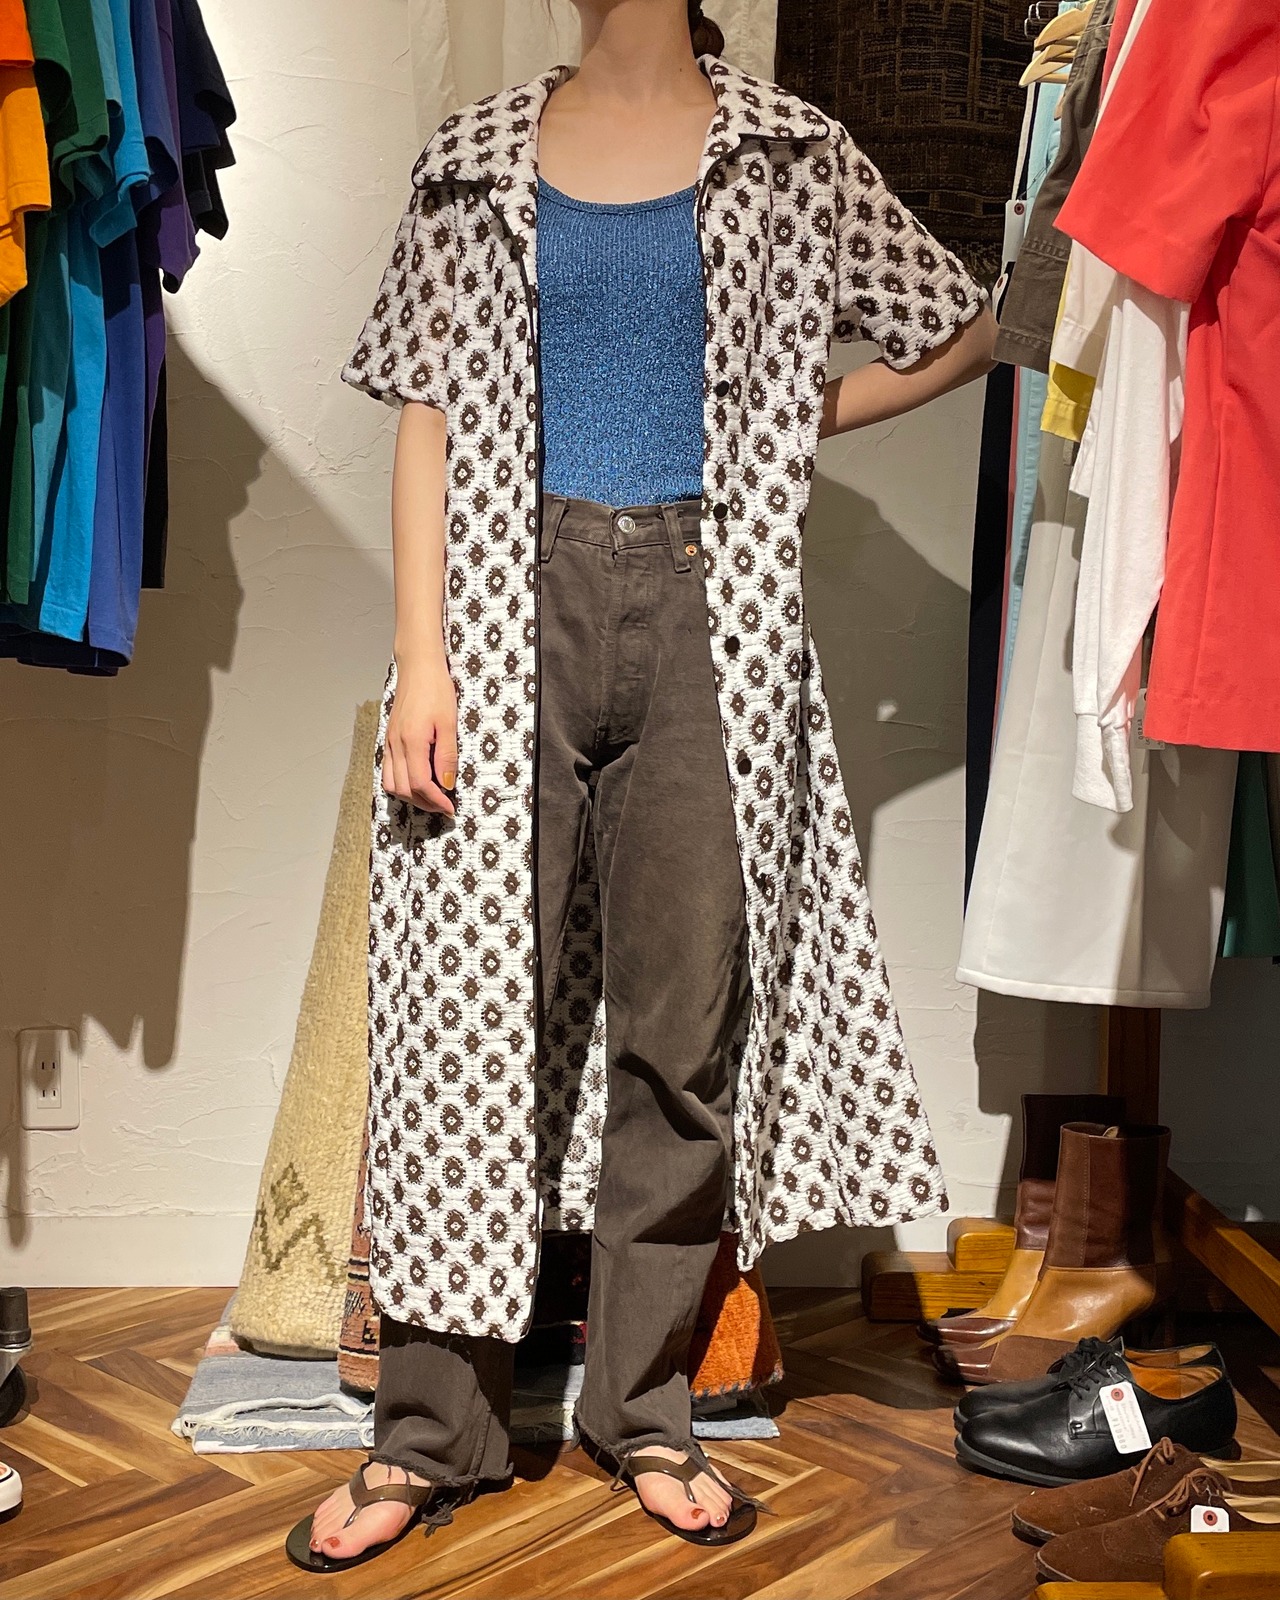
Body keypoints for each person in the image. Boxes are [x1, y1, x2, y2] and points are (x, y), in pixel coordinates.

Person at [288, 0, 997, 1573]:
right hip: (504, 610)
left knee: (682, 1035)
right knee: (464, 1029)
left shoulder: (793, 152)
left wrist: (784, 415)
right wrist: (421, 658)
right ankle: (429, 1432)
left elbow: (960, 327)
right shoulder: (474, 157)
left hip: (710, 621)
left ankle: (645, 1408)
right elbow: (424, 412)